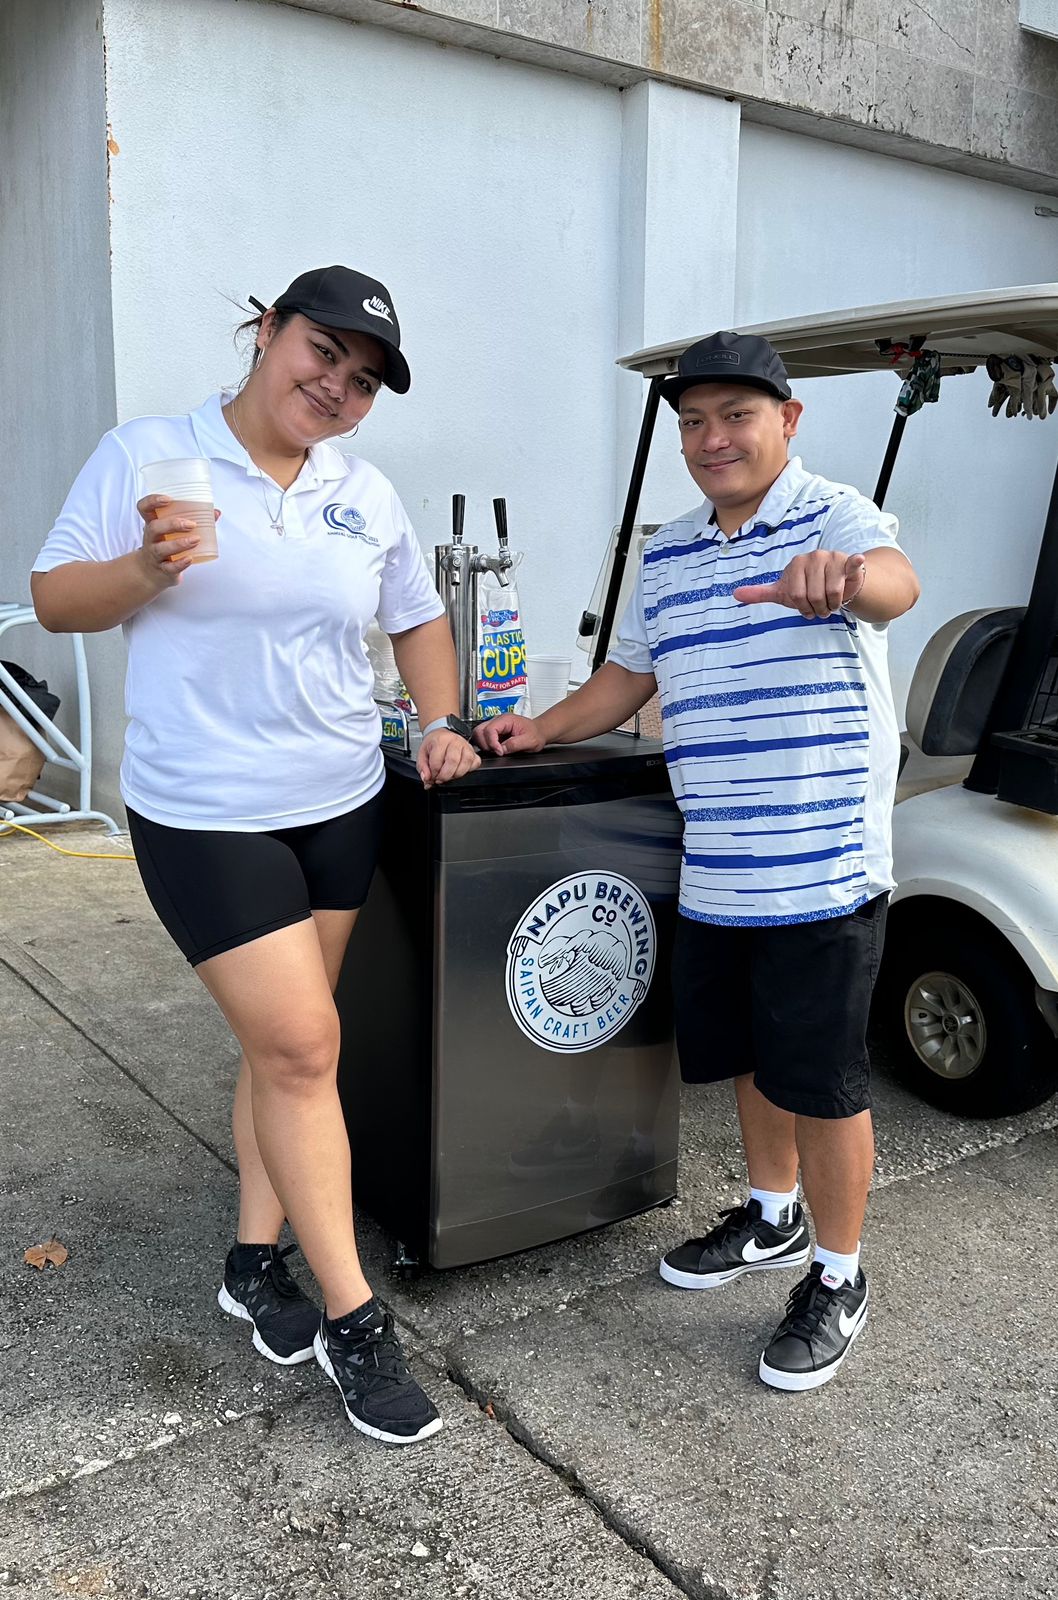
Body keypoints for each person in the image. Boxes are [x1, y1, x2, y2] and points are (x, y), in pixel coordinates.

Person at [31, 264, 480, 1445]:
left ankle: (249, 1260)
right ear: (267, 331)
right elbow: (55, 596)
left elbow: (416, 616)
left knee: (285, 1053)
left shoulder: (360, 492)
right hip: (204, 812)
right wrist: (146, 570)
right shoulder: (149, 454)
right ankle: (354, 1318)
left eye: (363, 379)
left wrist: (440, 716)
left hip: (336, 801)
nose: (336, 386)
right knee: (302, 1046)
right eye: (322, 352)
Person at [476, 330, 920, 1392]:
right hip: (717, 861)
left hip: (820, 865)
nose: (712, 438)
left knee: (824, 1082)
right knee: (750, 1058)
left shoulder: (833, 516)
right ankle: (770, 1214)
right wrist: (540, 726)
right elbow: (628, 675)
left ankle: (838, 1273)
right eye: (693, 422)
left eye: (736, 416)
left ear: (787, 421)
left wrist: (844, 578)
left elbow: (895, 584)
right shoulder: (668, 550)